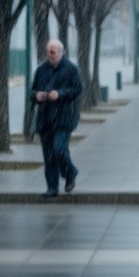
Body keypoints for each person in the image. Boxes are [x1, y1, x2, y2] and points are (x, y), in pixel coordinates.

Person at [31, 39, 82, 198]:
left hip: (63, 118)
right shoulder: (41, 70)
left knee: (59, 149)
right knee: (48, 155)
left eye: (53, 51)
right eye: (48, 52)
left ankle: (70, 173)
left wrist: (60, 94)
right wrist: (37, 96)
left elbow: (77, 89)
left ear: (61, 52)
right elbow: (32, 92)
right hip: (45, 118)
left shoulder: (70, 69)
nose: (50, 55)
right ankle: (52, 187)